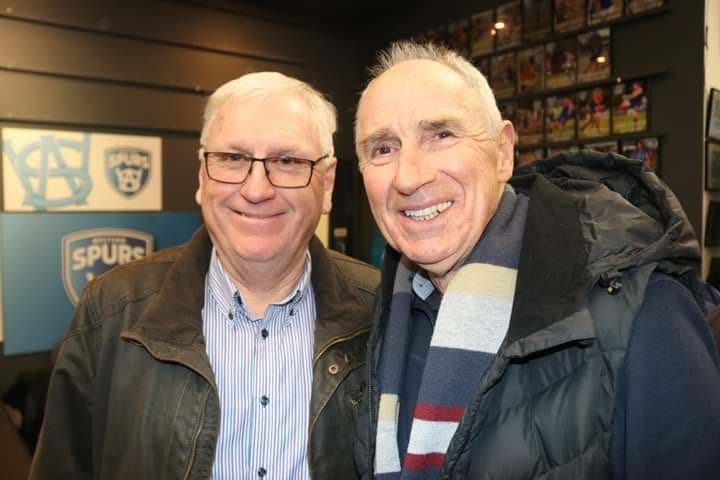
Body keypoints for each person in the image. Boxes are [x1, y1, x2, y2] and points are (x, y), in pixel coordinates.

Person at [353, 41, 720, 479]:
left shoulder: (644, 310)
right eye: (382, 149)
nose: (409, 176)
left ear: (503, 153)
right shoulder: (380, 314)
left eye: (441, 135)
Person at [30, 72, 378, 479]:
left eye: (287, 161)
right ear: (202, 176)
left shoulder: (381, 311)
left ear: (328, 183)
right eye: (232, 158)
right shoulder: (110, 312)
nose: (257, 190)